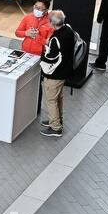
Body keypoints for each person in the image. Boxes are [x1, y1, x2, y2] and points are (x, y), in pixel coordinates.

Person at [39, 10, 76, 138]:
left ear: (52, 23)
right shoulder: (69, 30)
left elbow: (50, 57)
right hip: (64, 71)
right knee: (58, 98)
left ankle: (55, 128)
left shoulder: (56, 38)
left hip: (54, 74)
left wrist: (45, 48)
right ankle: (57, 120)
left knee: (51, 100)